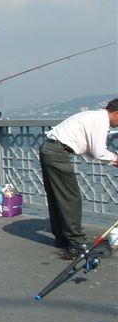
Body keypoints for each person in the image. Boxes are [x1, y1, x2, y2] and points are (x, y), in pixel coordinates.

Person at [39, 98, 118, 257]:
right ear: (116, 114)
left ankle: (62, 238)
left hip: (50, 149)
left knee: (57, 197)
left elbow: (91, 149)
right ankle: (76, 243)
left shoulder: (94, 116)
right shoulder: (100, 121)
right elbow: (99, 152)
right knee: (70, 197)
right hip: (57, 153)